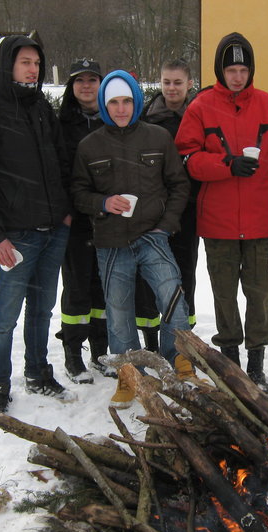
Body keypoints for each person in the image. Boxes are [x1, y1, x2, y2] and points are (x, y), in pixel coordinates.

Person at [175, 32, 268, 393]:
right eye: (231, 69)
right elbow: (189, 159)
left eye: (243, 69)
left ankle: (256, 361)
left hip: (261, 221)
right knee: (224, 294)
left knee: (261, 293)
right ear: (220, 70)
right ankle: (230, 358)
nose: (237, 77)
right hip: (218, 222)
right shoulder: (200, 107)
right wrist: (227, 164)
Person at [0, 35, 74, 413]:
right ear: (8, 64)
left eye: (37, 64)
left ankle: (39, 372)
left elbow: (60, 164)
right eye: (25, 62)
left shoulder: (41, 107)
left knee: (42, 310)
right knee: (6, 315)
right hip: (15, 237)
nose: (32, 69)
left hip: (53, 229)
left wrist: (66, 210)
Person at [71, 69, 194, 409]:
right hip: (111, 243)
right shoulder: (89, 146)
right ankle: (130, 374)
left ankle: (179, 361)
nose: (121, 108)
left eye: (127, 101)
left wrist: (165, 226)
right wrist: (102, 203)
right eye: (113, 102)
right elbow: (79, 192)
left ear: (136, 102)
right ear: (104, 105)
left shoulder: (157, 138)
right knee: (119, 310)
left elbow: (179, 185)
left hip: (153, 237)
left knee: (172, 297)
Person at [54, 58, 111, 384]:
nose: (87, 86)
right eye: (80, 81)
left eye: (93, 80)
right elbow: (55, 171)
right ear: (71, 87)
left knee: (103, 288)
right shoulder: (59, 124)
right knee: (76, 289)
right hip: (74, 221)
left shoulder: (112, 120)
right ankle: (73, 355)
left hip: (108, 219)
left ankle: (99, 352)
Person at [135, 58, 199, 345]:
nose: (172, 88)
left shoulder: (199, 115)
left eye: (178, 82)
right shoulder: (145, 116)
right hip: (152, 211)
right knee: (149, 277)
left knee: (185, 275)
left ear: (189, 84)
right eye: (166, 82)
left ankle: (184, 340)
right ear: (159, 83)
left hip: (189, 211)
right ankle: (151, 340)